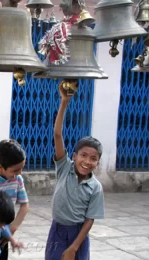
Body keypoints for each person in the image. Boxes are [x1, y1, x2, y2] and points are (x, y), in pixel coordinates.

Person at [45, 83, 105, 260]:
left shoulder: (95, 187)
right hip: (57, 230)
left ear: (98, 163)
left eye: (93, 159)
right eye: (83, 155)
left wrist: (74, 247)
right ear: (74, 156)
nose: (87, 161)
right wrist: (64, 102)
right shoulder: (64, 168)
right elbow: (57, 135)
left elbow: (89, 220)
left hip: (79, 234)